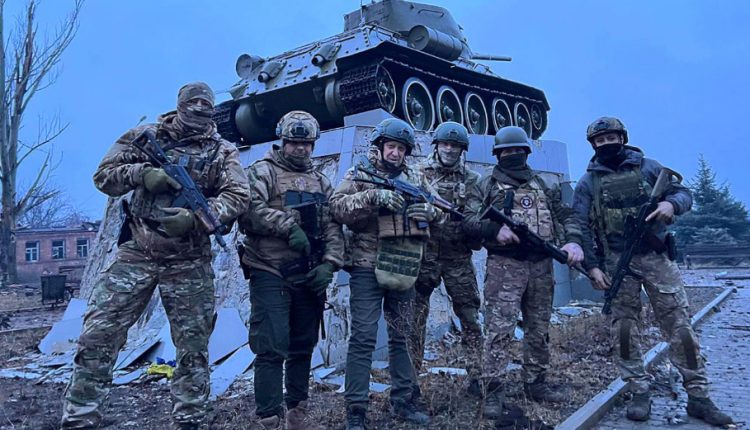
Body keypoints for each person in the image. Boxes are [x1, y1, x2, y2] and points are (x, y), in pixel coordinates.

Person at [61, 82, 251, 430]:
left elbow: (238, 195)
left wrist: (195, 218)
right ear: (179, 105)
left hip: (189, 259)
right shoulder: (146, 136)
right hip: (138, 250)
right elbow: (103, 176)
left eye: (205, 104)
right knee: (99, 333)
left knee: (193, 347)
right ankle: (80, 417)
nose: (198, 108)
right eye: (192, 103)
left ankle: (189, 419)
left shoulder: (222, 151)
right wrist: (142, 174)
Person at [572, 116, 733, 425]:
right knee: (623, 330)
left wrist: (671, 205)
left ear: (622, 138)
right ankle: (638, 390)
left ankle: (699, 396)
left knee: (680, 328)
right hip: (617, 262)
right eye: (600, 141)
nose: (606, 144)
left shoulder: (649, 168)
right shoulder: (588, 182)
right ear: (593, 145)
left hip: (657, 259)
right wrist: (591, 267)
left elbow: (683, 193)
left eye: (611, 138)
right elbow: (579, 226)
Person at [464, 126, 584, 418]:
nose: (513, 155)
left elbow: (565, 215)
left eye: (518, 150)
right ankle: (493, 390)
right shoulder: (485, 184)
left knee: (538, 328)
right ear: (498, 154)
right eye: (507, 151)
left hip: (541, 266)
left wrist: (572, 241)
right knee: (498, 330)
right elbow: (466, 220)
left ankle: (536, 382)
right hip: (505, 266)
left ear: (527, 153)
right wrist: (494, 230)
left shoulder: (543, 184)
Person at [330, 118, 441, 429]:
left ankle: (404, 400)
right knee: (363, 337)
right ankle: (356, 409)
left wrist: (430, 212)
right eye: (391, 146)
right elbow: (336, 207)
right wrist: (371, 197)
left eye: (401, 149)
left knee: (402, 335)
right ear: (379, 147)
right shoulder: (360, 173)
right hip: (366, 266)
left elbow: (440, 210)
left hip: (403, 264)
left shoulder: (415, 177)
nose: (396, 153)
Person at [238, 110, 344, 430]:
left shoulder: (321, 181)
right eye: (294, 142)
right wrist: (287, 226)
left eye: (306, 144)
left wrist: (330, 264)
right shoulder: (263, 171)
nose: (300, 148)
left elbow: (333, 226)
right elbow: (248, 210)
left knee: (303, 345)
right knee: (271, 345)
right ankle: (269, 419)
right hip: (270, 269)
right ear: (282, 142)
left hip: (308, 274)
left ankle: (297, 415)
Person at [411, 121, 482, 375]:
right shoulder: (418, 174)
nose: (449, 150)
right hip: (424, 256)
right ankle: (410, 381)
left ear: (462, 150)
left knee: (470, 317)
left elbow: (474, 217)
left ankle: (478, 377)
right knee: (414, 318)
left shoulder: (473, 180)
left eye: (455, 145)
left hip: (458, 257)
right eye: (445, 144)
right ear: (437, 145)